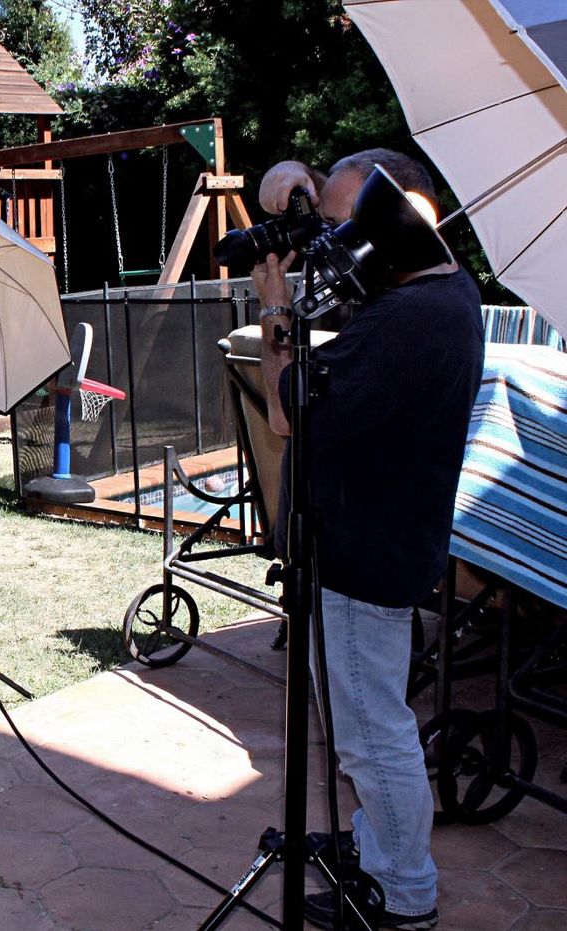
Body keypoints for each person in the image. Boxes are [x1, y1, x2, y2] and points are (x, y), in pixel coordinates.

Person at [252, 149, 484, 930]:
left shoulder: (408, 320)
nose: (337, 242)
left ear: (404, 211)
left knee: (371, 736)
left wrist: (275, 314)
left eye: (347, 223)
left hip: (364, 556)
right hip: (383, 543)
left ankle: (402, 890)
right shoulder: (443, 293)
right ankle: (379, 844)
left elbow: (288, 410)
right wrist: (296, 192)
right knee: (370, 722)